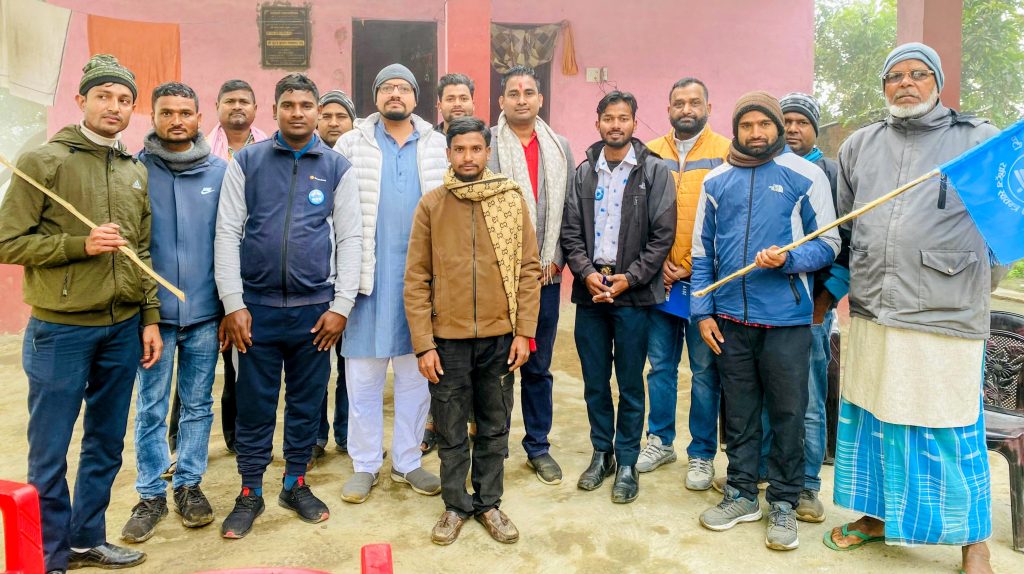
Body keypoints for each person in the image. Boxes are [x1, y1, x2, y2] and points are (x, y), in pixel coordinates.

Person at [824, 43, 1001, 574]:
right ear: (884, 86)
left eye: (918, 74)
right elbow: (847, 229)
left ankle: (974, 541)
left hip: (944, 317)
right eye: (895, 76)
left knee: (949, 426)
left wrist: (965, 281)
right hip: (874, 310)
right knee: (875, 417)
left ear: (937, 82)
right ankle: (877, 517)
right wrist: (835, 291)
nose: (905, 83)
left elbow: (1003, 236)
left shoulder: (977, 141)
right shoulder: (860, 145)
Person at [0, 54, 161, 573]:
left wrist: (149, 316)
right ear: (81, 101)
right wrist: (79, 244)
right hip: (60, 330)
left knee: (106, 443)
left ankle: (87, 537)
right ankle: (49, 555)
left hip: (122, 329)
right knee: (49, 450)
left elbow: (142, 250)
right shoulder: (44, 162)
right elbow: (7, 241)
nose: (114, 106)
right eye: (103, 96)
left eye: (124, 99)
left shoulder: (134, 169)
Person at [214, 73, 362, 539]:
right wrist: (233, 303)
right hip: (255, 311)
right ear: (274, 110)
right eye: (288, 105)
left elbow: (351, 238)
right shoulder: (248, 162)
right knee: (254, 404)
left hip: (315, 312)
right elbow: (227, 233)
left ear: (317, 111)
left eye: (306, 105)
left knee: (305, 402)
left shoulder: (337, 167)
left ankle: (295, 482)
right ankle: (250, 491)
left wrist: (341, 306)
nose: (298, 113)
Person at [691, 91, 838, 551]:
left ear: (776, 128)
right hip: (730, 318)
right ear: (736, 130)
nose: (756, 133)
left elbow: (829, 243)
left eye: (764, 124)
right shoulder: (716, 181)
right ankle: (740, 493)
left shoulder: (806, 175)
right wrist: (702, 312)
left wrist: (789, 259)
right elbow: (702, 253)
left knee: (788, 414)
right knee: (739, 412)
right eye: (747, 125)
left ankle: (784, 502)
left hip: (788, 321)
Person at [405, 116, 541, 545]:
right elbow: (416, 278)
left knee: (494, 424)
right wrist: (424, 344)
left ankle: (489, 503)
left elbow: (528, 269)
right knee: (449, 427)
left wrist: (524, 332)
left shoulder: (509, 200)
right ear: (448, 153)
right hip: (447, 340)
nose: (468, 157)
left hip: (501, 337)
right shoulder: (432, 205)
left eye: (476, 149)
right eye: (459, 149)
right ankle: (454, 505)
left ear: (487, 152)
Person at [335, 63, 446, 503]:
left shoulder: (436, 144)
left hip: (420, 284)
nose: (395, 94)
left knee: (415, 379)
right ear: (376, 96)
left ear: (416, 97)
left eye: (403, 88)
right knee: (362, 381)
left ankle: (407, 461)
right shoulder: (351, 142)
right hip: (366, 282)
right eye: (387, 88)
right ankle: (364, 464)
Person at [121, 82, 226, 544]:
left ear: (200, 118)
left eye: (185, 112)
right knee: (151, 406)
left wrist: (227, 307)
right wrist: (145, 313)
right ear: (153, 117)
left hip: (205, 315)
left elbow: (231, 242)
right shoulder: (135, 172)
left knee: (198, 404)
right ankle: (150, 494)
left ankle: (188, 484)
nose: (177, 120)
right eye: (167, 112)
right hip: (153, 319)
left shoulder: (221, 172)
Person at [561, 91, 676, 504]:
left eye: (623, 118)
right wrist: (587, 273)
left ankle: (627, 459)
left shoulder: (654, 171)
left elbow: (662, 235)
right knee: (595, 381)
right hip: (591, 294)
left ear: (634, 123)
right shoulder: (583, 172)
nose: (615, 125)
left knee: (629, 383)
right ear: (598, 123)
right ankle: (602, 454)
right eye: (608, 118)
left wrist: (631, 278)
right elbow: (570, 232)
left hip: (633, 295)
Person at [640, 78, 730, 488]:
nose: (687, 109)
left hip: (705, 281)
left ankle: (702, 453)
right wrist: (656, 262)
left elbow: (730, 217)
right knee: (660, 366)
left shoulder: (726, 152)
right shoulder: (650, 152)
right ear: (668, 109)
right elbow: (637, 215)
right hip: (658, 279)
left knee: (705, 370)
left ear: (709, 107)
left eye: (695, 102)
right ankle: (660, 440)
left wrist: (695, 265)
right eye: (679, 103)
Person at [487, 65, 574, 485]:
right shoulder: (488, 144)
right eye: (513, 93)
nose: (521, 99)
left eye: (529, 92)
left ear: (540, 99)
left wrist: (556, 258)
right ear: (501, 101)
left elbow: (570, 208)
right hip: (497, 278)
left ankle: (538, 446)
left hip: (546, 277)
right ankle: (495, 447)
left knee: (538, 367)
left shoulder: (560, 146)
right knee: (498, 365)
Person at [203, 78, 269, 456]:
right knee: (199, 356)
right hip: (208, 267)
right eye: (229, 101)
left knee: (240, 356)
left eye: (244, 101)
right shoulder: (201, 151)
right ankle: (181, 441)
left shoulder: (270, 149)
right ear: (217, 107)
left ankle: (237, 434)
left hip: (252, 270)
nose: (237, 106)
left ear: (256, 109)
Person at [422, 73, 477, 453]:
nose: (457, 104)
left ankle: (474, 424)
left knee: (477, 356)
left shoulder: (482, 141)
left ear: (473, 101)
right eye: (450, 98)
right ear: (439, 105)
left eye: (463, 97)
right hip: (436, 256)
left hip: (476, 264)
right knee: (439, 352)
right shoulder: (426, 144)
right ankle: (433, 423)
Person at [309, 88, 358, 470]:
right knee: (314, 368)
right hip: (314, 285)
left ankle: (347, 434)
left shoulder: (357, 165)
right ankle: (313, 439)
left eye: (341, 116)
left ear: (352, 123)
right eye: (327, 116)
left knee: (350, 367)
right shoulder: (305, 162)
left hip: (350, 284)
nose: (334, 123)